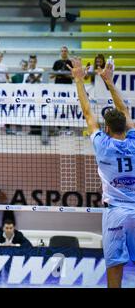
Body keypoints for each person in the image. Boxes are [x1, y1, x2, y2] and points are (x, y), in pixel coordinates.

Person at [68, 57, 135, 288]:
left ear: (107, 129)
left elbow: (87, 112)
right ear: (126, 126)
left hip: (116, 212)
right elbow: (124, 111)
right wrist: (109, 81)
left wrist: (79, 79)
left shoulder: (102, 145)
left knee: (114, 267)